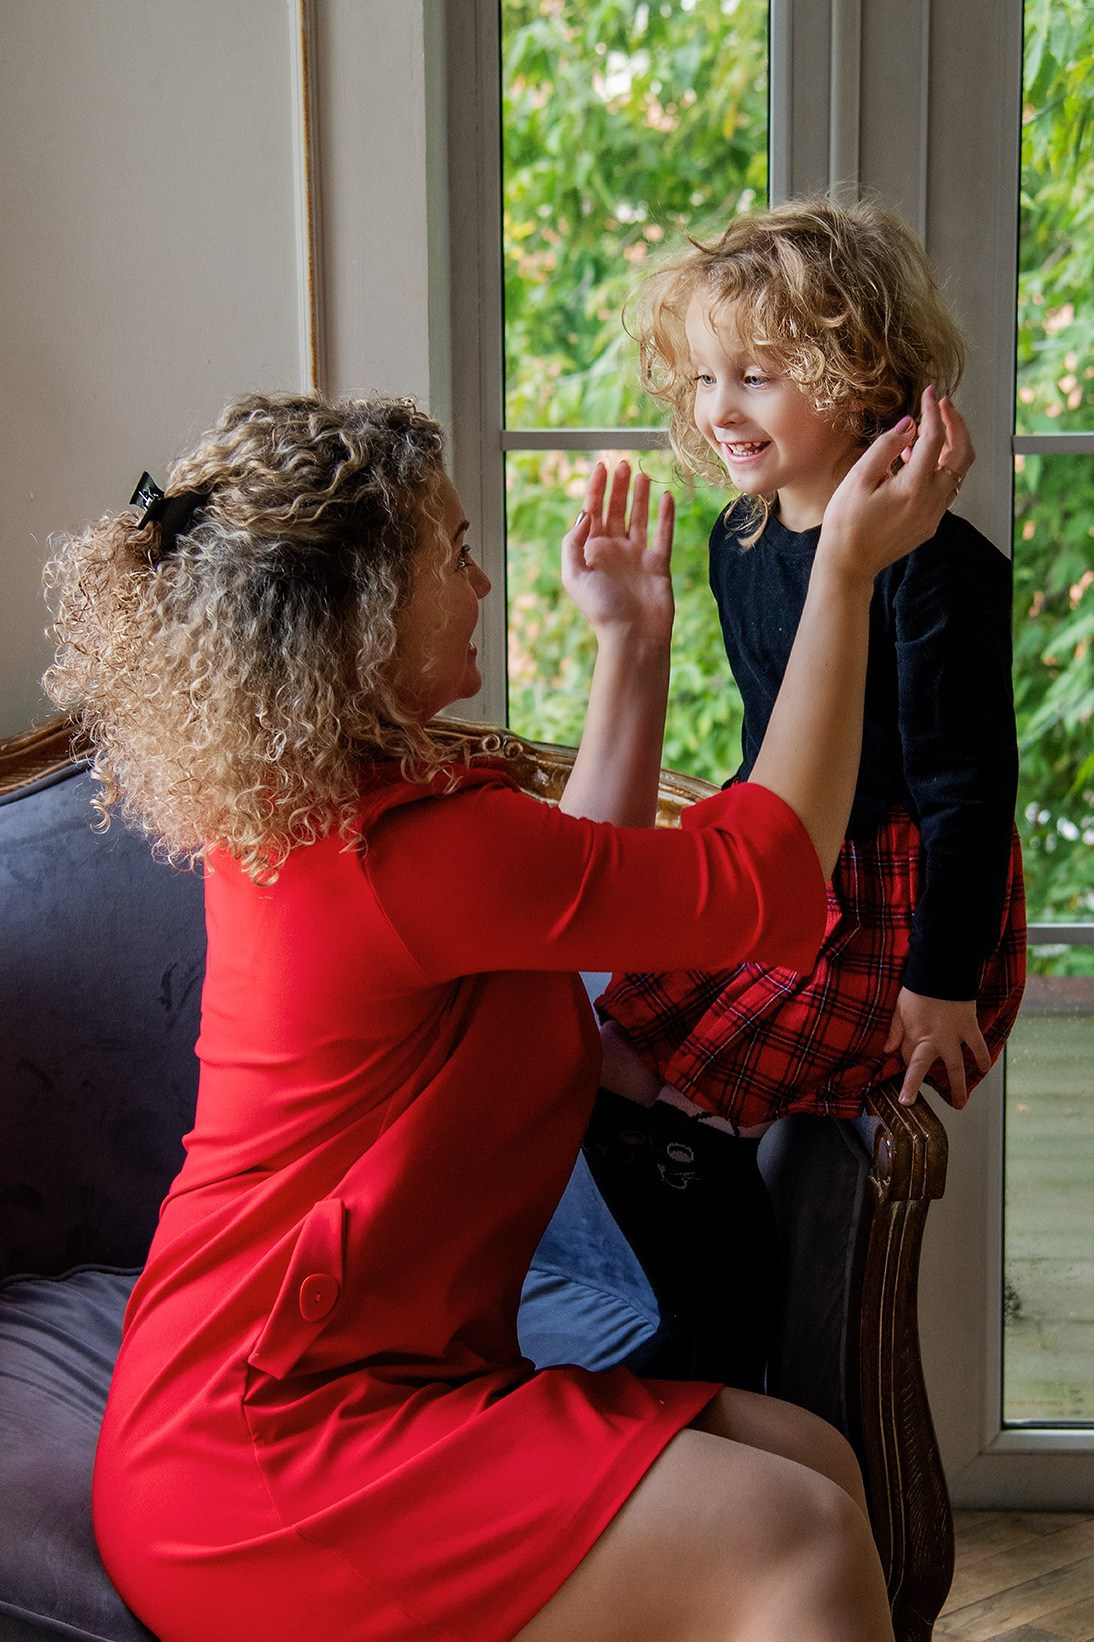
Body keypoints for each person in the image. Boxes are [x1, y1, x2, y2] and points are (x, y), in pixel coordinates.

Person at [45, 385, 969, 1642]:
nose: (480, 585)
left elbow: (566, 897)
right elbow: (772, 883)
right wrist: (844, 576)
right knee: (792, 1533)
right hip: (267, 1453)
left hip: (323, 1383)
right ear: (365, 613)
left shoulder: (340, 811)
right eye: (454, 555)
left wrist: (633, 646)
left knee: (813, 1460)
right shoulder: (398, 852)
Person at [589, 199, 1026, 1387]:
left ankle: (725, 1358)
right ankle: (696, 1327)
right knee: (611, 1064)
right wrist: (705, 890)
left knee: (686, 1096)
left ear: (859, 372)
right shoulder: (741, 539)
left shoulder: (939, 568)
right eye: (702, 378)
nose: (718, 407)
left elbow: (967, 791)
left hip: (892, 900)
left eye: (758, 374)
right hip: (789, 856)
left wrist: (939, 982)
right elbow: (765, 739)